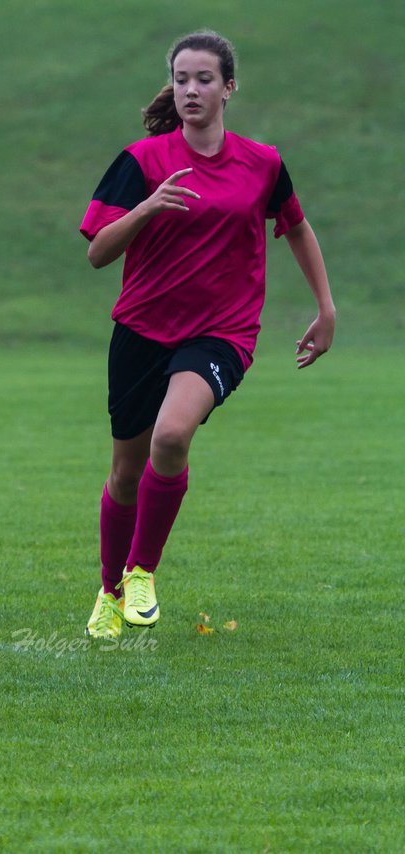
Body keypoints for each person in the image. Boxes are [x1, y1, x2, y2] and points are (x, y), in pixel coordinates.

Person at [78, 30, 336, 638]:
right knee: (124, 472)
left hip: (222, 332)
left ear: (228, 88)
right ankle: (110, 591)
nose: (191, 90)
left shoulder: (263, 163)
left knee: (172, 435)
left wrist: (325, 309)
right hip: (142, 329)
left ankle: (142, 570)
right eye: (181, 79)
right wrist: (147, 208)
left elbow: (296, 228)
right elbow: (97, 254)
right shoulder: (142, 162)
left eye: (204, 80)